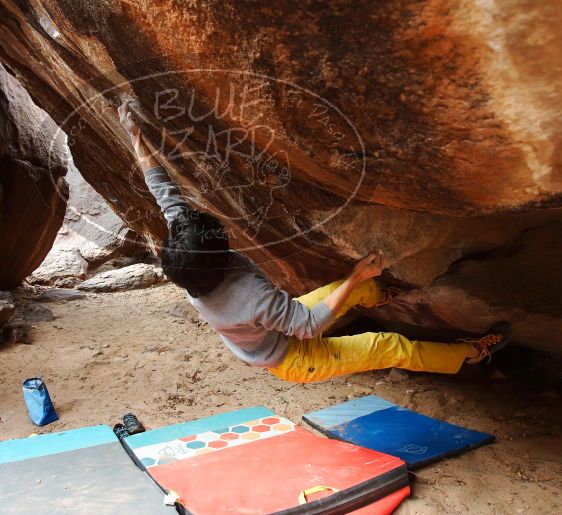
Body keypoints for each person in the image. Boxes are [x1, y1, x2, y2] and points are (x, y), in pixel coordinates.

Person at [117, 101, 511, 383]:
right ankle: (473, 353)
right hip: (294, 357)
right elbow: (307, 326)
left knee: (350, 291)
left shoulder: (188, 261)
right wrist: (355, 275)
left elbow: (165, 195)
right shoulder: (250, 295)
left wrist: (135, 137)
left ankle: (378, 293)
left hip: (274, 330)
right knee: (390, 345)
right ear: (219, 257)